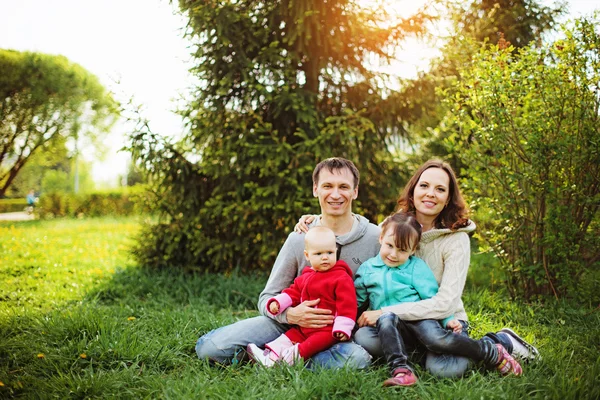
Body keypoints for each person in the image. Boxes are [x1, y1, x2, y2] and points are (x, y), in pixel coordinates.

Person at [296, 159, 540, 378]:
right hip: (396, 323)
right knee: (363, 338)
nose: (430, 194)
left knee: (445, 369)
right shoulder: (393, 227)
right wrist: (316, 220)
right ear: (413, 191)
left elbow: (445, 304)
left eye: (440, 189)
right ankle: (423, 352)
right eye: (424, 186)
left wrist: (384, 313)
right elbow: (356, 226)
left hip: (441, 320)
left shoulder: (456, 239)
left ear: (448, 198)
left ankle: (497, 342)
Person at [195, 157, 381, 369]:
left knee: (356, 361)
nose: (336, 194)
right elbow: (267, 297)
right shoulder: (299, 237)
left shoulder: (375, 238)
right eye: (327, 186)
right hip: (288, 326)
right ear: (315, 190)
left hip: (337, 334)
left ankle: (278, 358)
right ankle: (286, 355)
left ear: (355, 192)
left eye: (344, 187)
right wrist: (291, 314)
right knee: (209, 350)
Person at [355, 211, 522, 387]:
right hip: (391, 325)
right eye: (390, 245)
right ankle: (402, 370)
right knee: (366, 334)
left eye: (402, 249)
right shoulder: (368, 269)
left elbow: (432, 297)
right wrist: (346, 320)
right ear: (381, 238)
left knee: (435, 338)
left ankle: (489, 350)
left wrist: (448, 320)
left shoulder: (415, 268)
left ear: (413, 250)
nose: (394, 254)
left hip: (420, 319)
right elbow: (358, 300)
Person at [246, 226, 357, 367]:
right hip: (303, 328)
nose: (325, 257)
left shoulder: (341, 277)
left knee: (307, 347)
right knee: (287, 338)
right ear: (307, 255)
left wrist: (342, 328)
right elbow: (292, 292)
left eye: (329, 252)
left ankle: (285, 363)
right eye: (318, 254)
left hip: (327, 330)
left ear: (335, 252)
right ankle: (268, 357)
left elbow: (347, 304)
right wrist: (278, 303)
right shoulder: (306, 277)